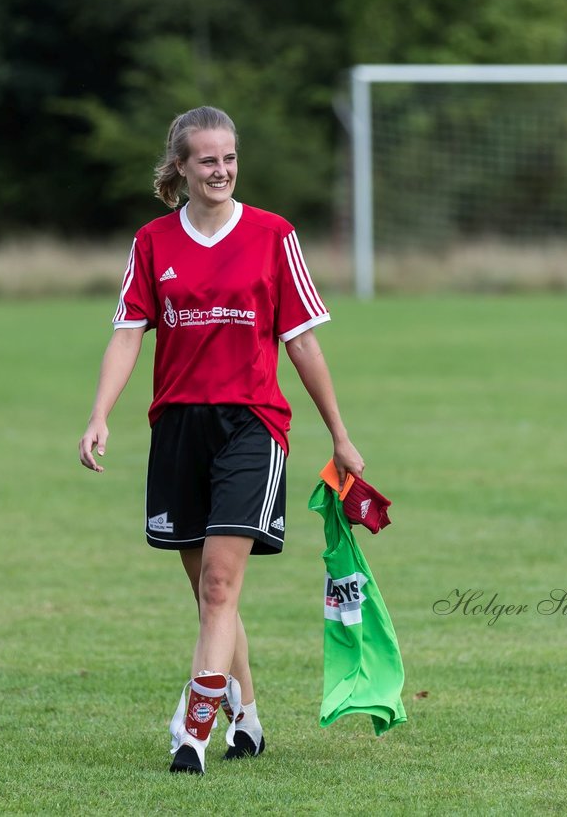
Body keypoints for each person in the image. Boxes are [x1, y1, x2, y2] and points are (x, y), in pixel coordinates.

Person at [78, 105, 364, 775]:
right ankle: (251, 722)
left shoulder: (273, 235)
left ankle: (193, 731)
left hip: (251, 424)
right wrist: (100, 414)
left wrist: (340, 435)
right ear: (181, 165)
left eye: (230, 157)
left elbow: (303, 343)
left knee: (219, 586)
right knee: (212, 596)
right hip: (177, 426)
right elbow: (127, 333)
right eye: (207, 159)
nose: (222, 170)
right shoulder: (152, 243)